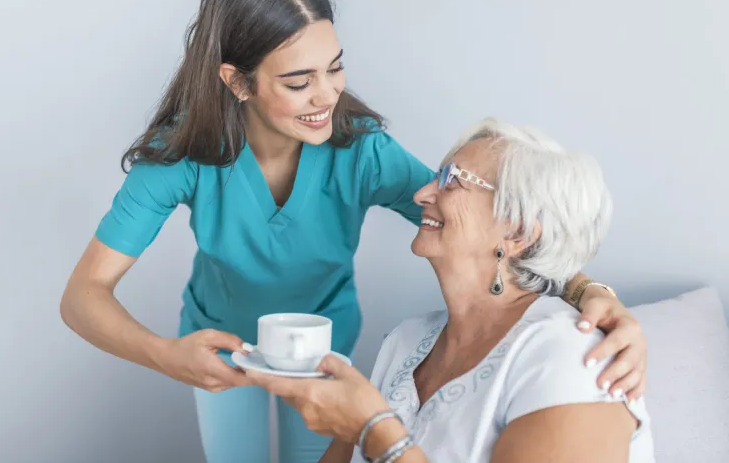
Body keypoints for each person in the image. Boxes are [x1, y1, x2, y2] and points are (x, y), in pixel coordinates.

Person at [59, 0, 648, 463]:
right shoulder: (182, 155)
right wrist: (166, 355)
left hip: (323, 341)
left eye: (334, 67)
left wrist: (589, 288)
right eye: (299, 81)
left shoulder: (361, 150)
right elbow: (84, 295)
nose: (327, 95)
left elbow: (488, 221)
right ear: (237, 82)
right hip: (219, 339)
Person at [245, 118, 655, 463]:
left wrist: (375, 430)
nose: (423, 193)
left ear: (516, 231)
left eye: (452, 181)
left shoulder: (575, 357)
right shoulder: (404, 343)